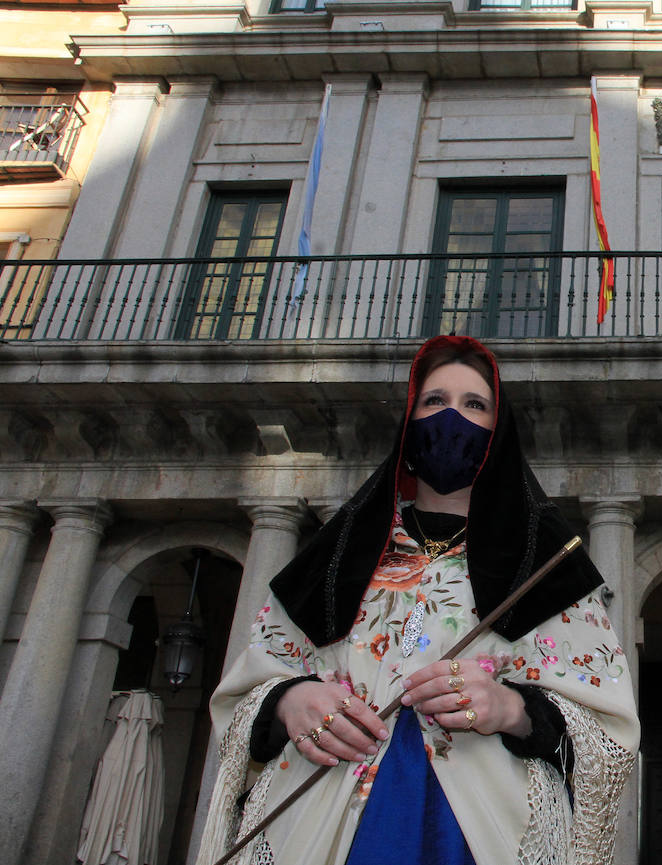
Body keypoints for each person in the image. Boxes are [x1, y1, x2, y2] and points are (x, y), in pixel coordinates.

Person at [199, 335, 639, 865]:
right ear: (409, 420)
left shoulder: (542, 564)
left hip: (485, 828)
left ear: (499, 432)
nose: (452, 417)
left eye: (474, 405)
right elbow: (245, 693)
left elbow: (609, 734)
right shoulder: (338, 553)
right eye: (435, 401)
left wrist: (511, 708)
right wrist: (290, 701)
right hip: (322, 819)